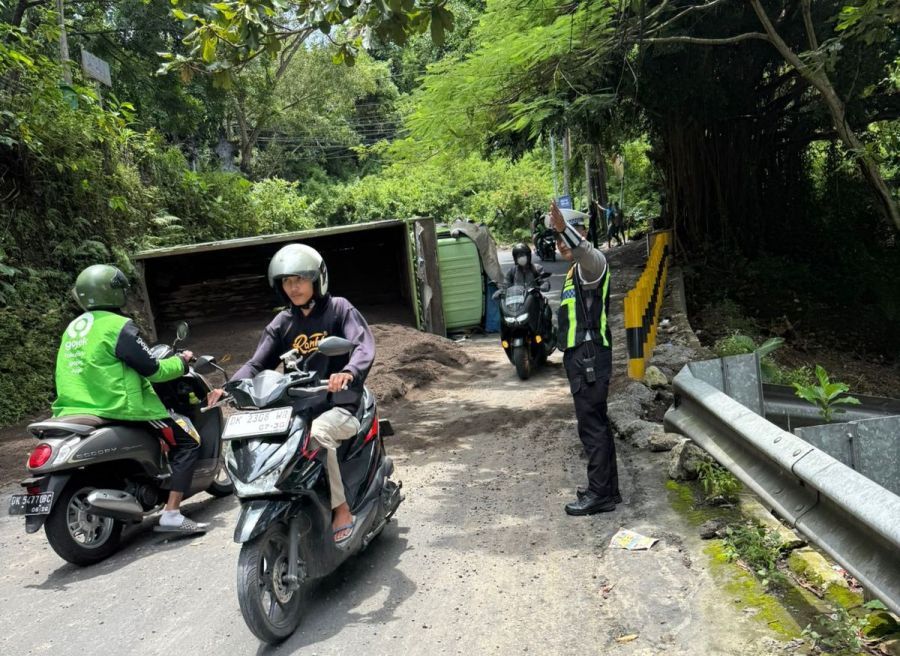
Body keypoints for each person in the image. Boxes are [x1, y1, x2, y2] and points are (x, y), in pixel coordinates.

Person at [206, 244, 375, 545]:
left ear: (316, 279)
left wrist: (348, 372)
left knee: (319, 434)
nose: (293, 287)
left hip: (341, 404)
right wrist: (229, 387)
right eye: (286, 281)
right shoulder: (283, 323)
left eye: (299, 279)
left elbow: (362, 346)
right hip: (298, 407)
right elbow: (258, 362)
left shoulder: (339, 309)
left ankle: (341, 508)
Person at [52, 264, 207, 533]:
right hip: (119, 407)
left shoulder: (74, 327)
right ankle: (171, 513)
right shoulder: (119, 326)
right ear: (115, 293)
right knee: (188, 441)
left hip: (73, 408)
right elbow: (154, 370)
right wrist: (181, 363)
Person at [547, 203, 621, 515]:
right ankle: (607, 490)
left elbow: (587, 252)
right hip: (581, 357)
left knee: (591, 428)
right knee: (597, 425)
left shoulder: (593, 266)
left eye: (566, 237)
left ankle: (599, 494)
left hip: (589, 358)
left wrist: (565, 228)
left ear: (581, 233)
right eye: (558, 239)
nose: (561, 244)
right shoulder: (573, 273)